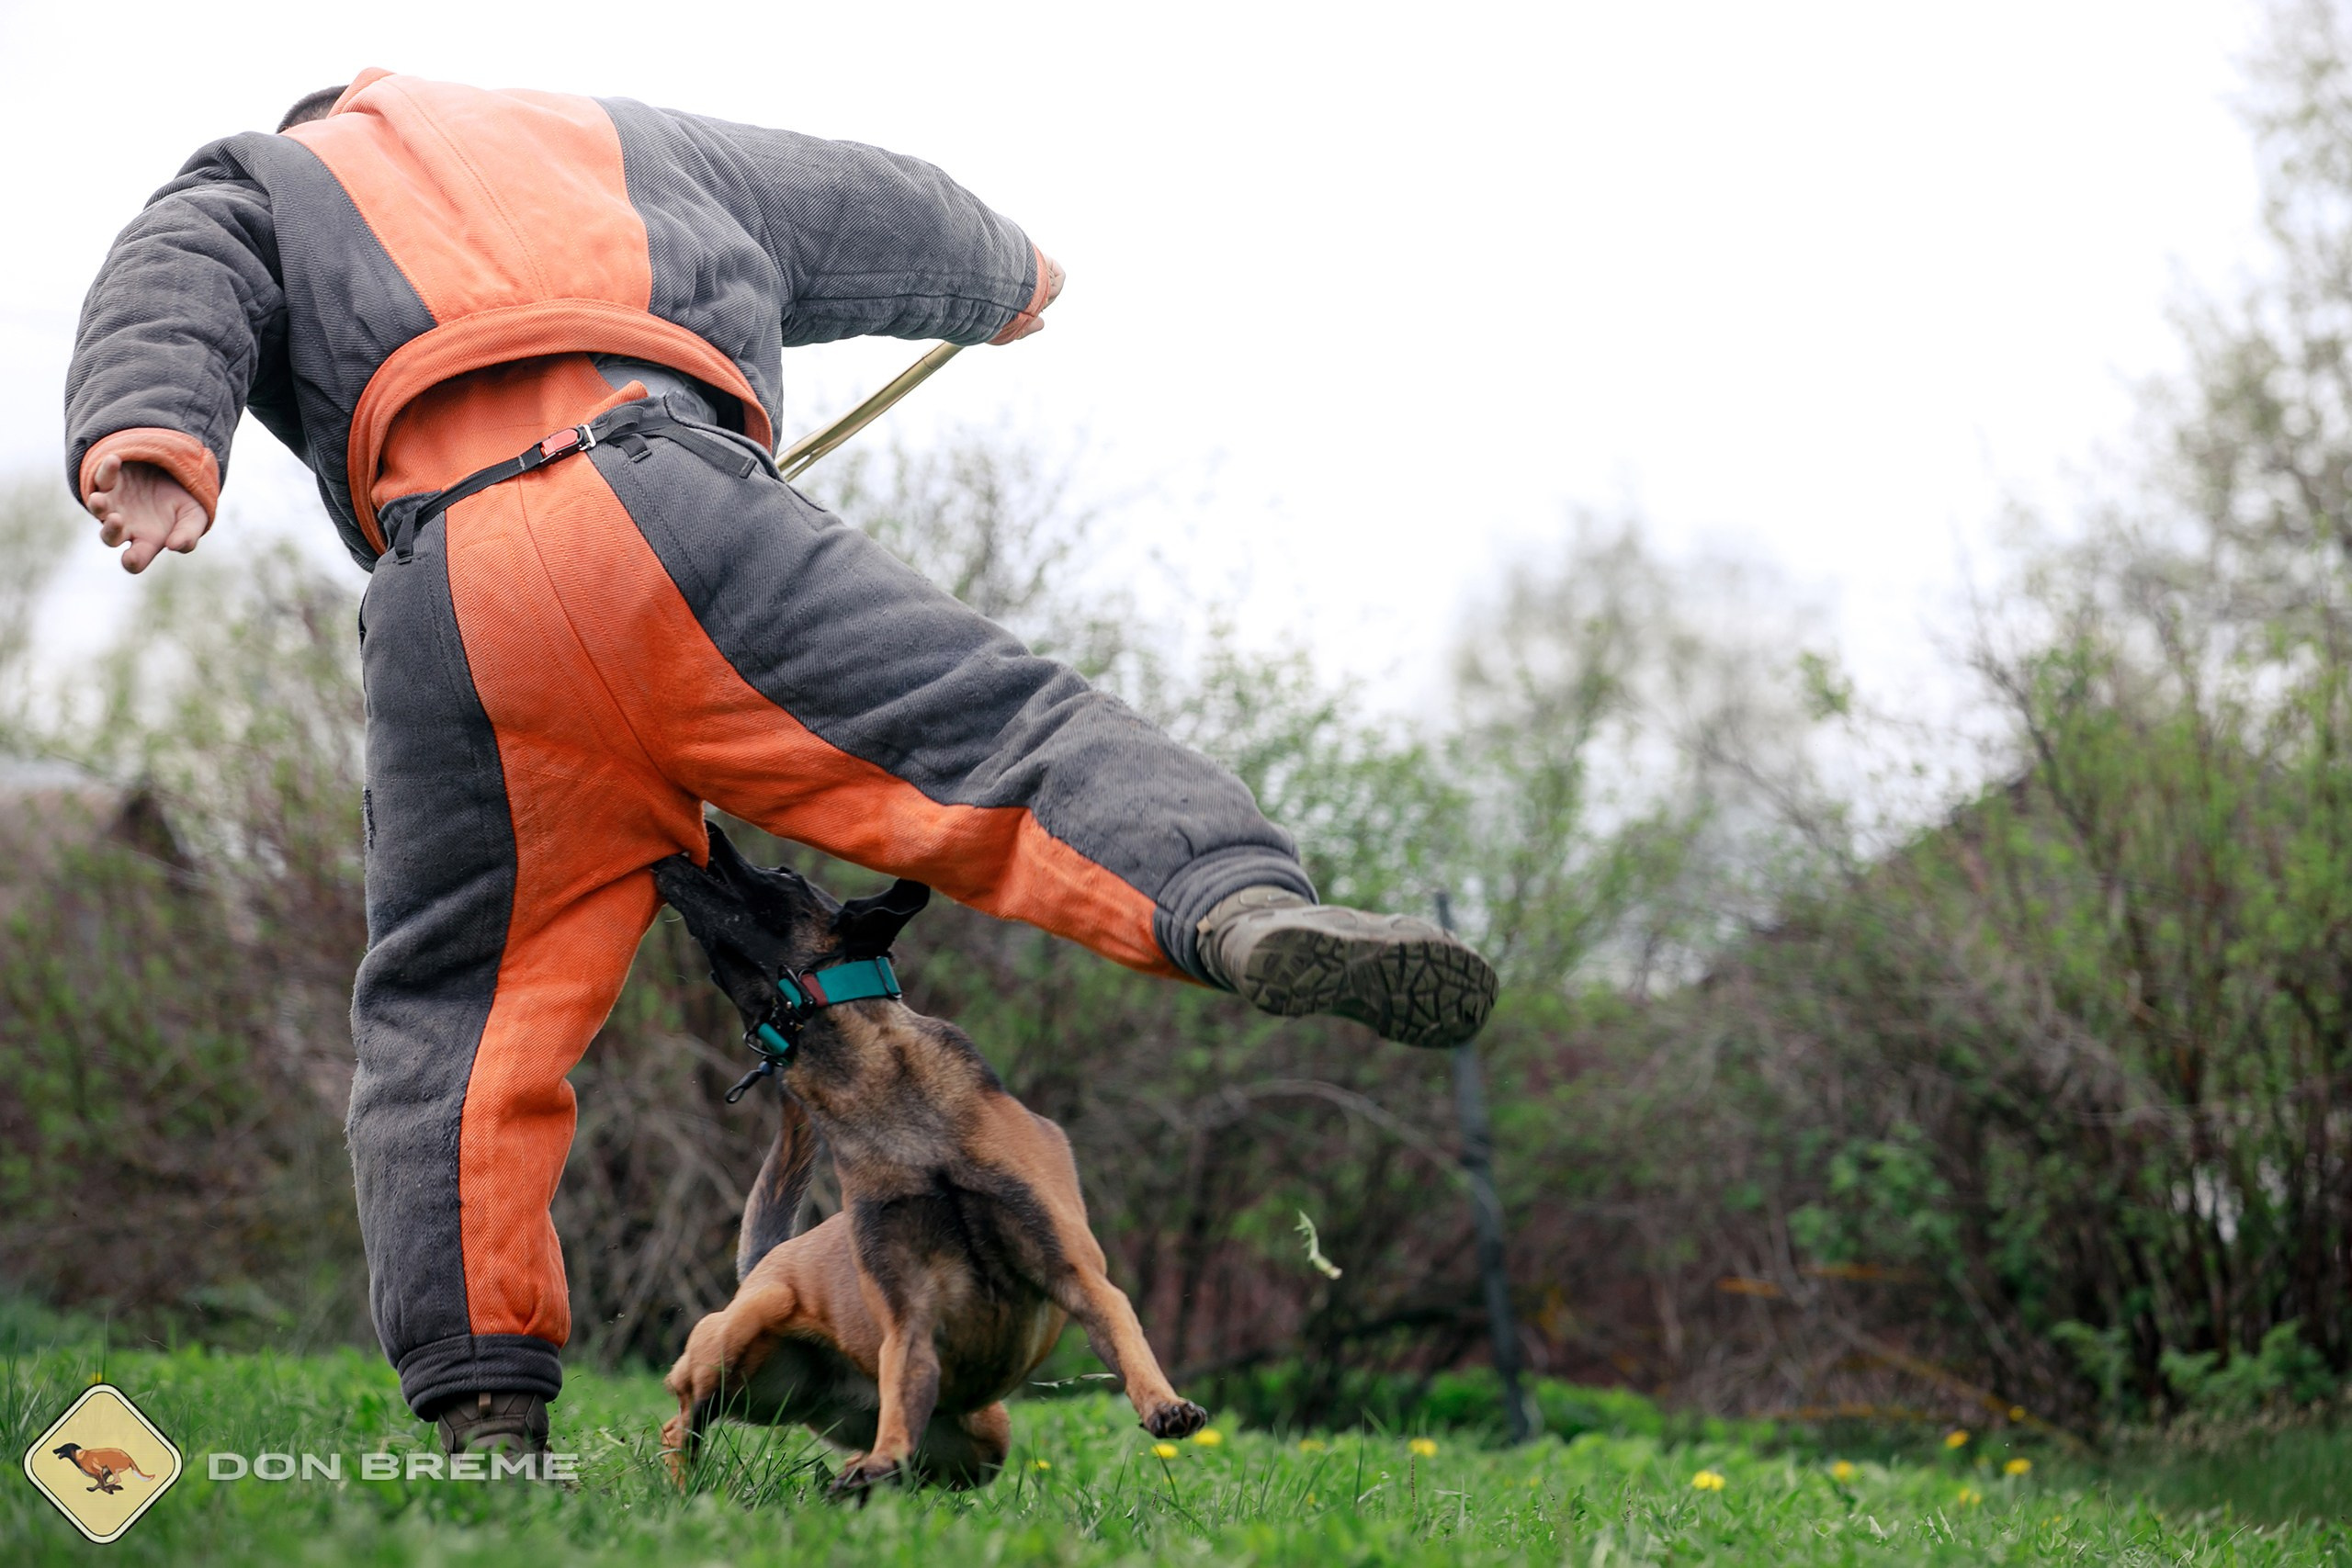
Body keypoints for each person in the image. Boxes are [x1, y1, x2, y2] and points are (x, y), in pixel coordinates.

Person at [65, 72, 1498, 1456]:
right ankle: (1235, 904)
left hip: (457, 593)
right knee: (1000, 737)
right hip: (683, 502)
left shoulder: (261, 174)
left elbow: (174, 269)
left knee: (456, 1019)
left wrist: (152, 429)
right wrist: (1003, 274)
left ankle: (485, 1408)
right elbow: (869, 200)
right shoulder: (611, 136)